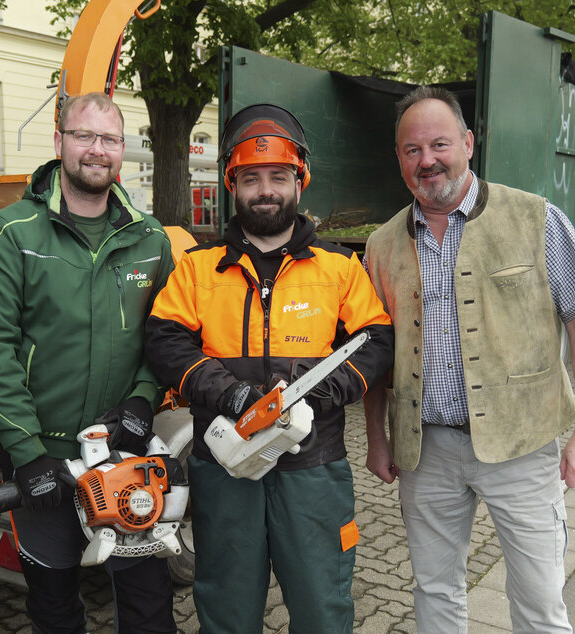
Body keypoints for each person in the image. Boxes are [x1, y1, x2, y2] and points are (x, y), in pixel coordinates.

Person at [362, 86, 575, 633]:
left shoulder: (536, 219)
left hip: (522, 448)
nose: (427, 160)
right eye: (412, 150)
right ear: (399, 159)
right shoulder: (380, 246)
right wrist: (379, 438)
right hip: (424, 452)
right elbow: (375, 355)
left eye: (440, 144)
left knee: (539, 599)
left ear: (468, 143)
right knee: (434, 591)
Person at [145, 103, 394, 633]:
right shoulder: (197, 267)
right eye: (252, 178)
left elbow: (375, 341)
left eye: (278, 177)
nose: (266, 190)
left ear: (299, 182)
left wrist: (317, 394)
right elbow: (165, 341)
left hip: (314, 467)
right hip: (223, 466)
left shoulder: (339, 268)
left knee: (323, 608)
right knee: (226, 611)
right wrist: (231, 395)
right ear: (233, 185)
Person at [0, 92, 177, 634]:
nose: (95, 150)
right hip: (45, 462)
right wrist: (27, 453)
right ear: (59, 142)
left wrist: (142, 400)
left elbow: (168, 335)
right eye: (83, 136)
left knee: (149, 606)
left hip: (127, 461)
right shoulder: (12, 233)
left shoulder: (149, 239)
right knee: (54, 608)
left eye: (108, 139)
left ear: (122, 150)